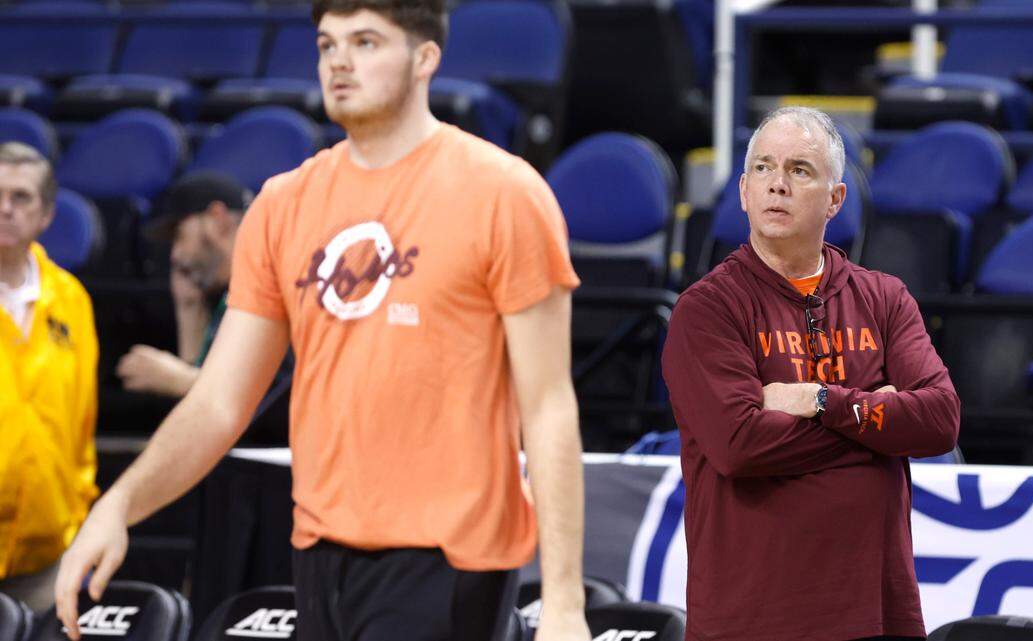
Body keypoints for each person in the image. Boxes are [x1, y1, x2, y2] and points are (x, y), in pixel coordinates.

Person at [55, 2, 591, 641]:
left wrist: (564, 602)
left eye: (365, 42)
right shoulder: (284, 203)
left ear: (425, 59)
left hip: (449, 558)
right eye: (327, 43)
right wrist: (119, 503)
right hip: (319, 550)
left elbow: (549, 406)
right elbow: (221, 401)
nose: (339, 60)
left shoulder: (503, 192)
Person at [661, 106, 960, 641]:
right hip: (751, 621)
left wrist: (822, 401)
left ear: (835, 199)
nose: (778, 184)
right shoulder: (707, 310)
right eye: (763, 168)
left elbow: (939, 420)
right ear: (744, 191)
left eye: (800, 170)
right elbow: (739, 443)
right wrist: (877, 422)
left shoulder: (884, 298)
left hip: (877, 615)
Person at [0, 142, 98, 614]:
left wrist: (77, 513)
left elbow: (83, 420)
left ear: (46, 215)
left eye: (20, 197)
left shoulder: (71, 299)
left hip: (47, 558)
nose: (4, 209)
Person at [116, 172, 252, 399]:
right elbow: (202, 416)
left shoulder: (269, 282)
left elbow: (270, 401)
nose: (175, 255)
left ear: (217, 219)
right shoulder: (221, 294)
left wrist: (183, 381)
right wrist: (188, 309)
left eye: (179, 235)